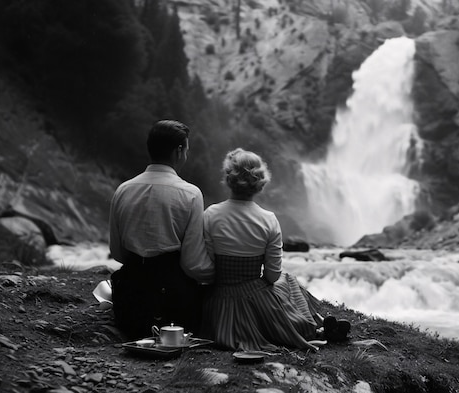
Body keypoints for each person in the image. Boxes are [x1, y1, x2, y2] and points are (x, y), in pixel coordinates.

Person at [201, 148, 340, 351]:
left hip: (219, 302)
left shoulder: (211, 214)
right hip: (254, 297)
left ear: (229, 179)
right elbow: (273, 276)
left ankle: (320, 325)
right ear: (260, 182)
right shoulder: (268, 219)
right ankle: (317, 325)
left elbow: (208, 262)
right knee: (289, 281)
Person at [109, 120, 214, 339]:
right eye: (186, 149)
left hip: (129, 302)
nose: (187, 154)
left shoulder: (123, 190)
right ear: (178, 151)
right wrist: (220, 274)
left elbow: (118, 253)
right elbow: (192, 263)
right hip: (173, 306)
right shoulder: (191, 194)